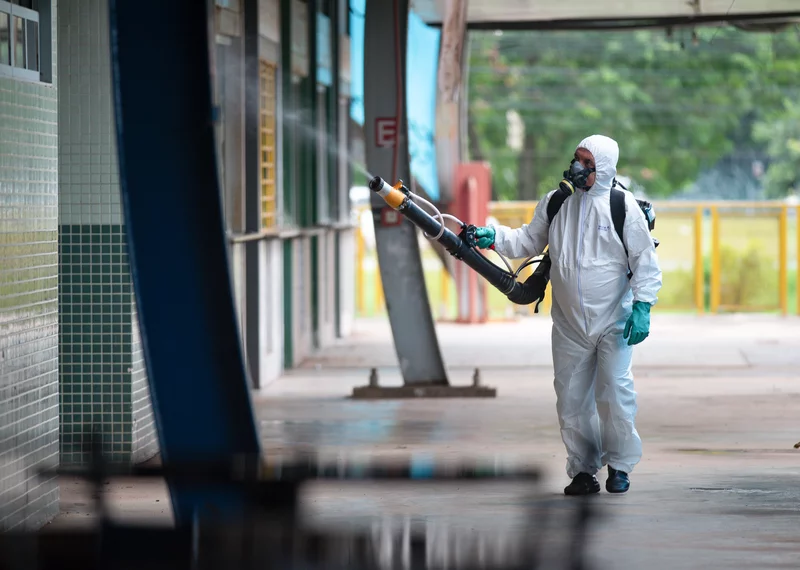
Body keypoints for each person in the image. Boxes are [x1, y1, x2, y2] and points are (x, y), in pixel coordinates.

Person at [473, 135, 662, 495]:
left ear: (603, 168)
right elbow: (527, 241)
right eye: (576, 159)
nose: (577, 167)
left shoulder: (622, 206)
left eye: (587, 162)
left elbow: (644, 262)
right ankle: (583, 470)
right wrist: (491, 236)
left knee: (614, 392)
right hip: (569, 324)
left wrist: (642, 306)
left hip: (613, 322)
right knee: (572, 398)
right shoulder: (558, 202)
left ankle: (620, 467)